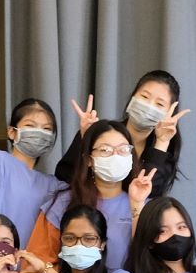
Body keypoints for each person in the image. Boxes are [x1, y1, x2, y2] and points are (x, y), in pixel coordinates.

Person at [30, 120, 156, 273]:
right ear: (89, 159)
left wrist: (137, 205)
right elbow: (37, 262)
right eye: (105, 150)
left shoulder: (144, 205)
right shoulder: (63, 203)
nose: (115, 156)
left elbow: (150, 264)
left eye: (123, 149)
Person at [58, 70, 187, 194]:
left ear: (169, 113)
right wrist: (86, 139)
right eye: (144, 96)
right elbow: (64, 175)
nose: (149, 106)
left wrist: (162, 142)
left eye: (159, 104)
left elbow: (150, 192)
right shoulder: (102, 134)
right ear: (132, 97)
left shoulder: (164, 149)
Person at [0, 98, 61, 242]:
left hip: (33, 257)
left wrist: (86, 135)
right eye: (30, 125)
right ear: (12, 132)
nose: (39, 132)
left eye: (47, 129)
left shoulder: (53, 184)